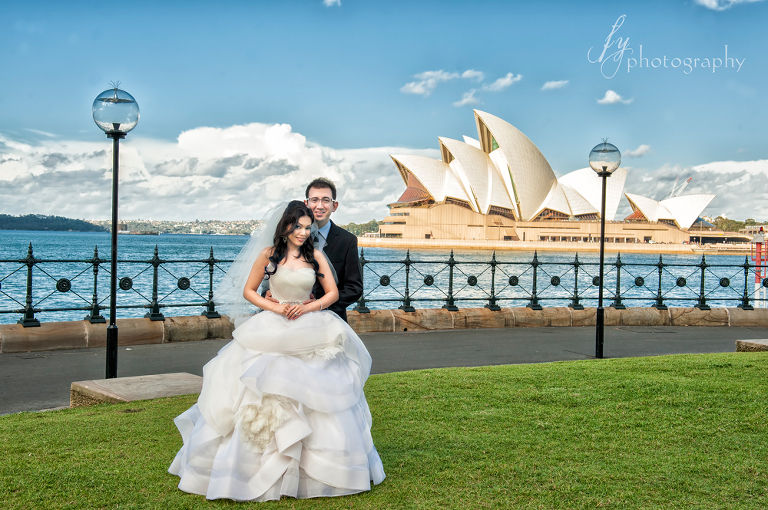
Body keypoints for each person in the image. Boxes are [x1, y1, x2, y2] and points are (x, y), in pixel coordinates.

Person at [169, 201, 385, 501]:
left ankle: (320, 466)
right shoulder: (268, 255)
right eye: (298, 226)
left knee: (316, 391)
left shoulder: (315, 256)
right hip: (274, 323)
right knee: (259, 387)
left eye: (307, 227)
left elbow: (333, 293)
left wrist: (309, 306)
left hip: (309, 324)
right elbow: (249, 291)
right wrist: (276, 307)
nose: (303, 232)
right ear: (285, 226)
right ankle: (253, 466)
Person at [265, 178, 363, 323]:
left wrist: (318, 305)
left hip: (330, 318)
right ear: (306, 204)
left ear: (334, 205)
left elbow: (354, 288)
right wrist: (267, 294)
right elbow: (269, 272)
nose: (320, 206)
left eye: (326, 200)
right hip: (284, 317)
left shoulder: (347, 240)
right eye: (314, 200)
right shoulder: (286, 236)